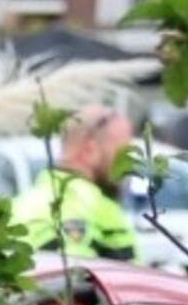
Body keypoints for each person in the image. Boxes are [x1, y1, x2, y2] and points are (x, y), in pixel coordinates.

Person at [9, 105, 141, 261]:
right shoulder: (88, 209)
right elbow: (74, 280)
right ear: (90, 150)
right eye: (123, 152)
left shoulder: (19, 206)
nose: (131, 163)